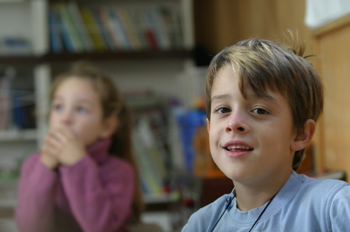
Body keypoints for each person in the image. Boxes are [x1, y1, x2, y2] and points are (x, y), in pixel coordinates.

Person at [182, 38, 350, 231]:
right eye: (223, 109)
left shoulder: (332, 207)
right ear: (209, 127)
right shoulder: (202, 225)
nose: (234, 123)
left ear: (300, 134)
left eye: (260, 110)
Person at [15, 62, 144, 232]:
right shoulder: (33, 164)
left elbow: (100, 228)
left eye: (81, 110)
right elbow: (28, 228)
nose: (65, 118)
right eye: (58, 107)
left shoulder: (119, 171)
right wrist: (45, 169)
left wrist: (77, 163)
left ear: (106, 126)